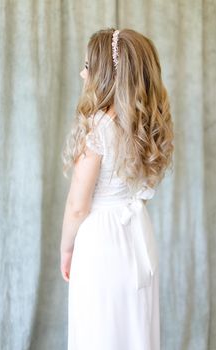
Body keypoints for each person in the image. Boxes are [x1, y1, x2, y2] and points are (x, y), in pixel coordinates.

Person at [60, 27, 174, 350]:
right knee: (134, 328)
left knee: (101, 332)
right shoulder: (141, 124)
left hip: (102, 244)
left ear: (105, 75)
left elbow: (77, 206)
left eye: (87, 66)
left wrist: (66, 249)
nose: (82, 74)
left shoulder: (98, 127)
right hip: (137, 235)